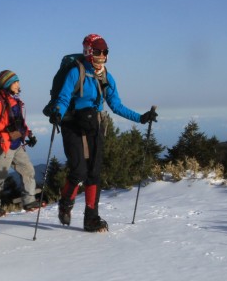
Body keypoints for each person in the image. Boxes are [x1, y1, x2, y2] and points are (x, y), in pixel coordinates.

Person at [47, 34, 157, 232]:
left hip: (94, 126)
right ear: (89, 52)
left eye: (105, 52)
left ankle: (91, 218)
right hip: (72, 124)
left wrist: (141, 118)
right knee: (78, 170)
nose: (102, 56)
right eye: (98, 51)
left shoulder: (106, 76)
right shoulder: (75, 72)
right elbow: (63, 99)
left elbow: (116, 105)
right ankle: (66, 202)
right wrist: (57, 113)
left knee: (94, 174)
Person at [0, 70, 40, 217]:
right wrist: (7, 130)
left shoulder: (13, 99)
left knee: (28, 170)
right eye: (15, 82)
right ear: (7, 84)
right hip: (3, 144)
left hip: (16, 143)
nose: (18, 85)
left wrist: (28, 133)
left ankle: (29, 201)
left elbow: (18, 121)